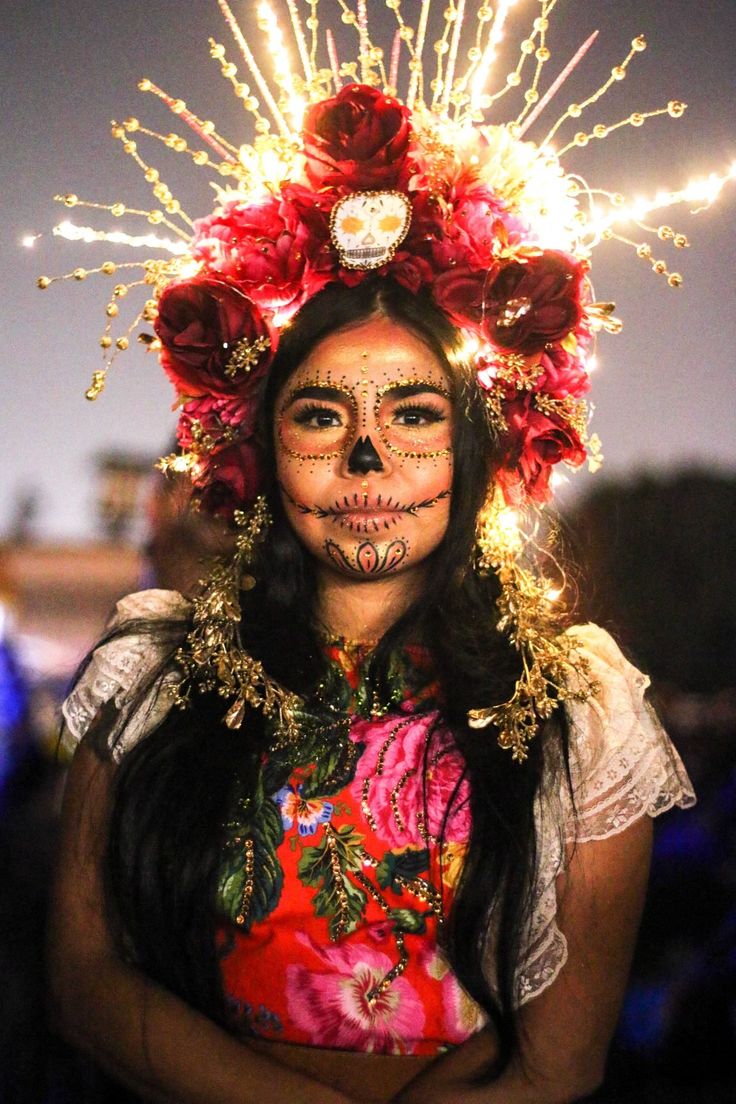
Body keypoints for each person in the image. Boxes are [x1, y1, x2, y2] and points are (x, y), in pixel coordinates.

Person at [45, 4, 702, 1101]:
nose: (365, 459)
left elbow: (559, 1069)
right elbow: (83, 978)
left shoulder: (582, 715)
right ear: (261, 449)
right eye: (317, 418)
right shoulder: (155, 674)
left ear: (480, 447)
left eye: (413, 415)